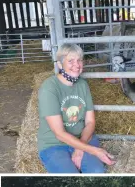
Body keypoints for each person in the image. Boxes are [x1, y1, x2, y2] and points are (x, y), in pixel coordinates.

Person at [37, 43, 115, 173]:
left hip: (83, 138)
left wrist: (81, 148)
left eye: (79, 60)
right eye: (71, 61)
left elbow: (90, 122)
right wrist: (95, 151)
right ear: (60, 65)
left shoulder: (83, 85)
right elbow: (59, 134)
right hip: (54, 144)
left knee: (97, 172)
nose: (77, 65)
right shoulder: (49, 88)